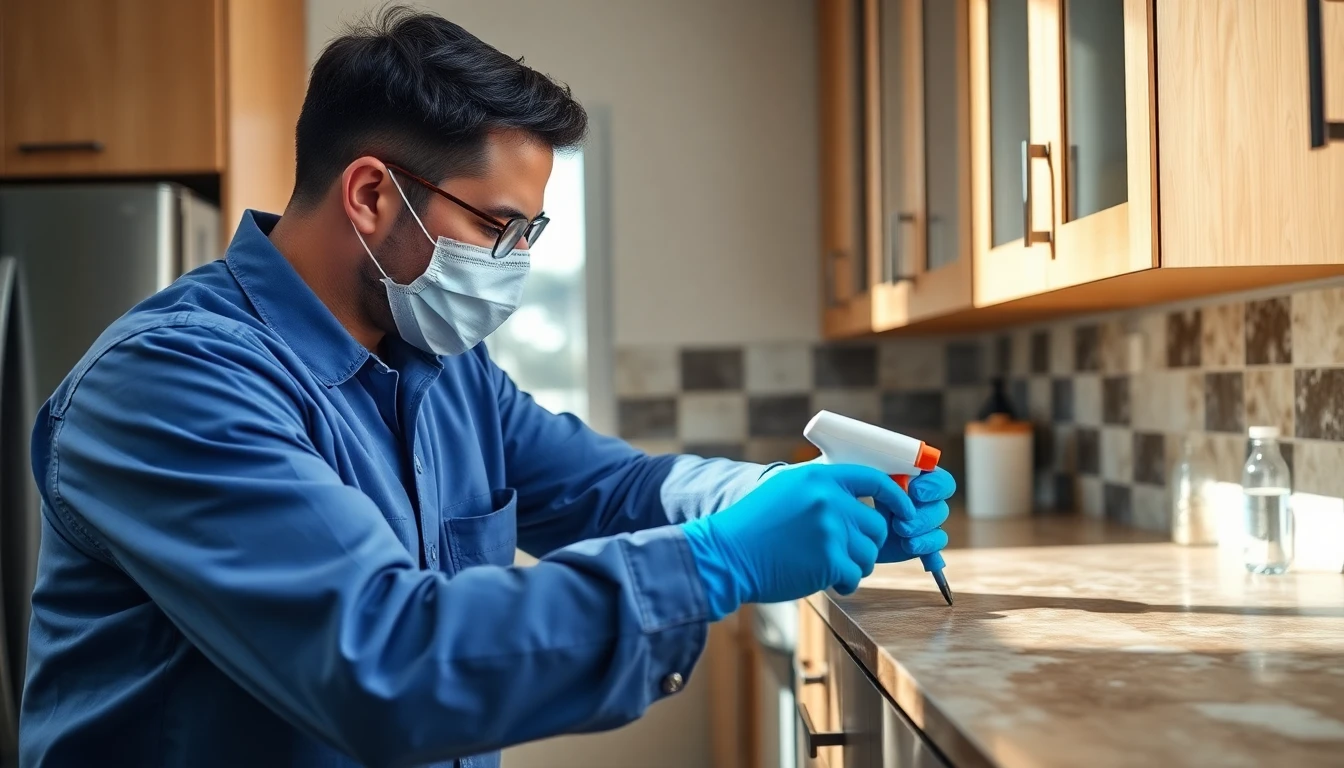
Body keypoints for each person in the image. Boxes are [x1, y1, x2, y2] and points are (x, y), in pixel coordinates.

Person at [19, 7, 954, 768]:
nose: (514, 265)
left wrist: (779, 496)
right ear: (373, 195)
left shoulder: (440, 366)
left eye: (530, 236)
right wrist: (719, 561)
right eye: (500, 227)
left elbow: (606, 489)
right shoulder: (174, 382)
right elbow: (380, 660)